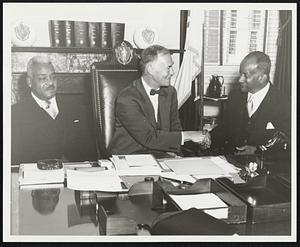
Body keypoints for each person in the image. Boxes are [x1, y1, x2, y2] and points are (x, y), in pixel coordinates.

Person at [110, 45, 211, 155]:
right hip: (130, 158)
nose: (172, 72)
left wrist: (175, 154)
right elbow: (148, 138)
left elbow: (175, 129)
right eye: (168, 67)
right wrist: (190, 135)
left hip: (160, 157)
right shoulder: (127, 98)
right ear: (150, 69)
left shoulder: (170, 92)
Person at [11, 56, 97, 164]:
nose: (50, 83)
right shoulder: (15, 115)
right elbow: (15, 161)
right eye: (43, 78)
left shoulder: (76, 106)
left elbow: (91, 152)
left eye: (53, 77)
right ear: (29, 82)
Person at [210, 51, 291, 155]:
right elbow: (225, 128)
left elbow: (288, 143)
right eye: (240, 74)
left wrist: (257, 150)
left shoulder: (284, 103)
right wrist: (207, 137)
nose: (240, 79)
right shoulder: (235, 96)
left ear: (262, 77)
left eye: (245, 75)